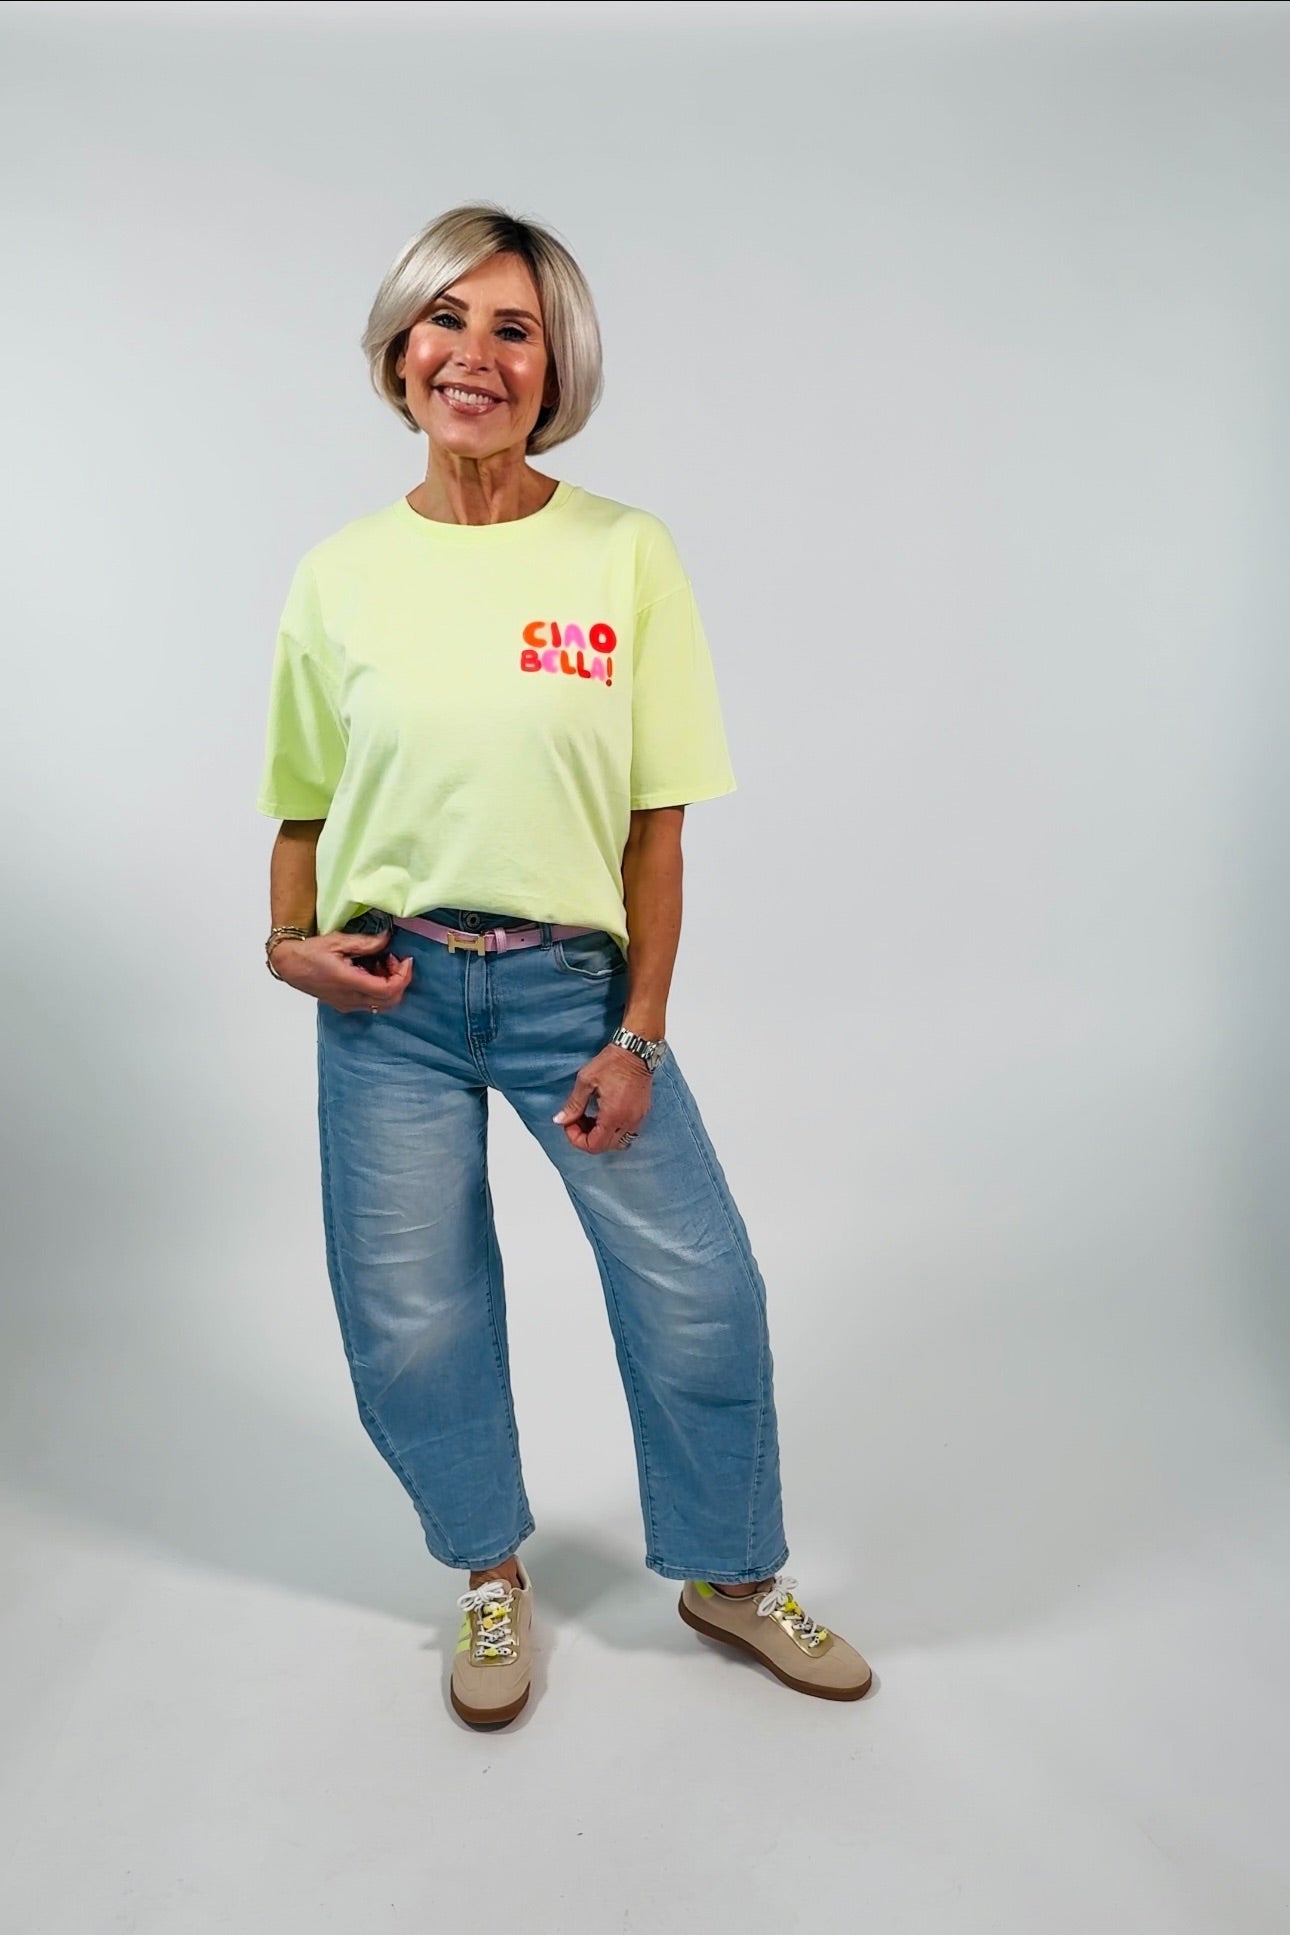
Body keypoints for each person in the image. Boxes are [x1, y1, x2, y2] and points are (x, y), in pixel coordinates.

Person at [255, 201, 872, 1729]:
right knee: (414, 1313)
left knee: (700, 1285)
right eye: (444, 319)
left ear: (555, 366)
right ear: (399, 350)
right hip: (389, 999)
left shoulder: (622, 554)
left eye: (512, 328)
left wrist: (638, 1032)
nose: (472, 354)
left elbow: (657, 827)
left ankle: (731, 1575)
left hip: (567, 995)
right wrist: (286, 948)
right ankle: (487, 1574)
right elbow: (303, 810)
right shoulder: (339, 575)